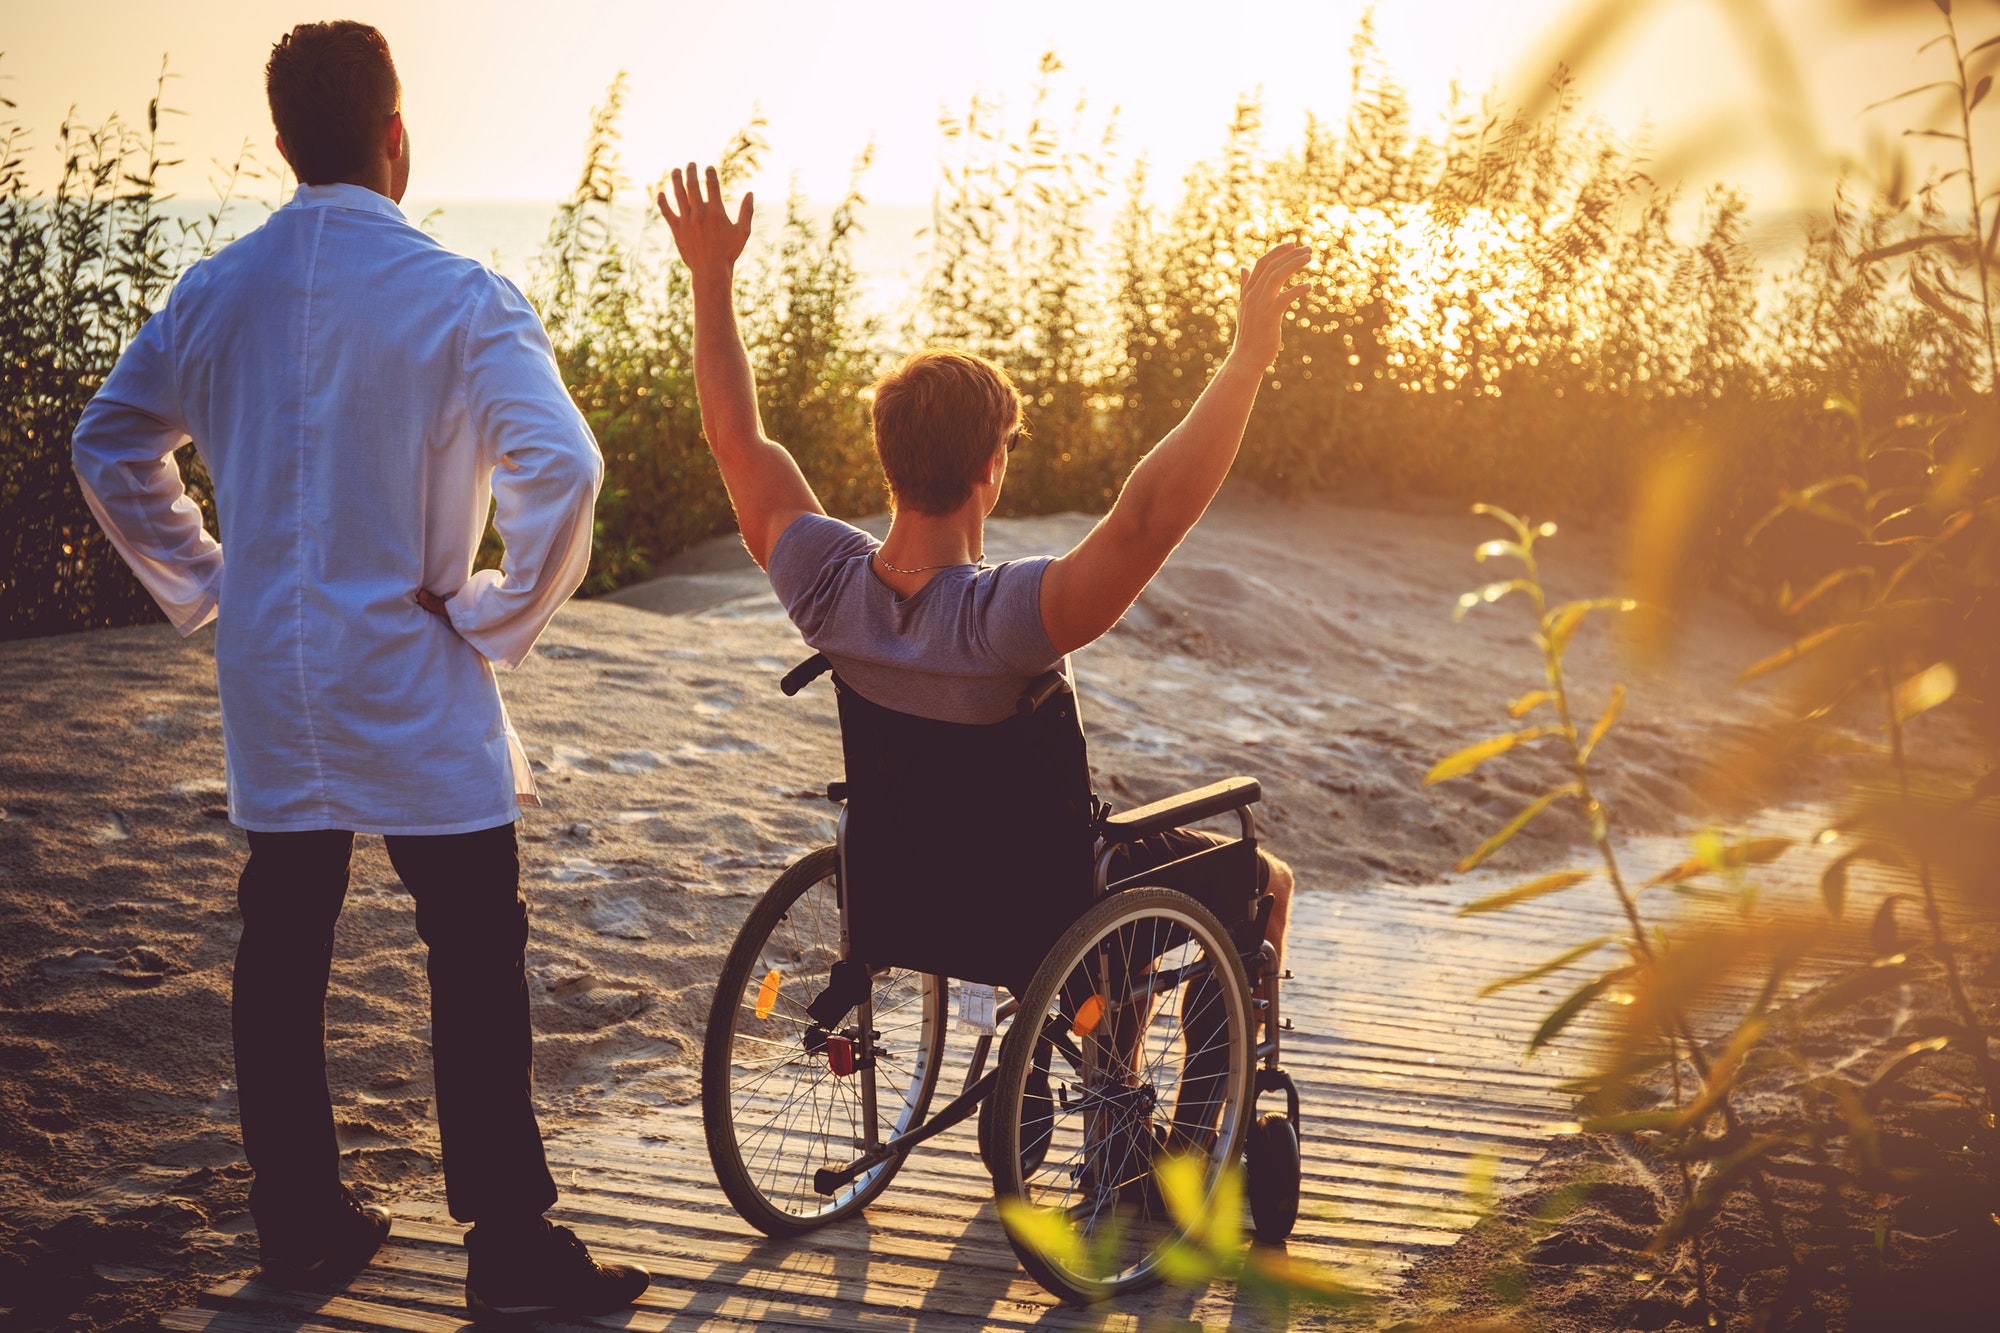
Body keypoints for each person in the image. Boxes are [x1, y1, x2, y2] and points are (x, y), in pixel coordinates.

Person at [70, 21, 647, 1318]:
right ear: (397, 136)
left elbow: (111, 443)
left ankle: (302, 1222)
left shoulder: (215, 291)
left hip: (277, 675)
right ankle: (507, 1252)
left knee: (283, 939)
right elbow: (568, 469)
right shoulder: (461, 294)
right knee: (471, 944)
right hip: (414, 661)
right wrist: (498, 613)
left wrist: (209, 580)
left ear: (282, 143)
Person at [655, 162, 1302, 997]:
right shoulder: (1008, 620)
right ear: (993, 466)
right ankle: (1194, 1125)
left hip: (914, 895)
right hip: (1042, 907)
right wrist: (1246, 362)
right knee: (1267, 880)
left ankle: (1112, 1065)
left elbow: (734, 439)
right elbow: (1149, 515)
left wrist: (711, 278)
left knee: (1121, 911)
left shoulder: (824, 589)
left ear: (889, 462)